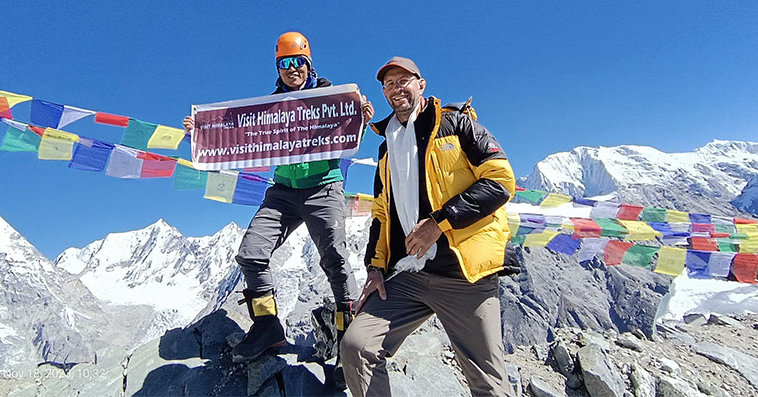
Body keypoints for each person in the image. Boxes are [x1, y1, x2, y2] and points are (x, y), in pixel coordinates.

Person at [183, 32, 374, 375]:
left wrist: (359, 113)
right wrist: (202, 133)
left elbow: (352, 132)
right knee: (251, 253)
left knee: (335, 258)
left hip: (323, 186)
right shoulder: (268, 109)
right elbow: (233, 133)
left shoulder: (332, 99)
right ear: (278, 68)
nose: (291, 68)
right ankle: (268, 326)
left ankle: (349, 334)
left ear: (308, 64)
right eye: (284, 63)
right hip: (283, 190)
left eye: (297, 61)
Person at [339, 57, 517, 397]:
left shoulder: (457, 125)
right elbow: (381, 213)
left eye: (404, 80)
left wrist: (439, 223)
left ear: (421, 84)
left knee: (489, 384)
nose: (396, 88)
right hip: (410, 274)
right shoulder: (386, 148)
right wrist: (375, 269)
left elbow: (500, 181)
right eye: (389, 84)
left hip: (463, 274)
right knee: (357, 347)